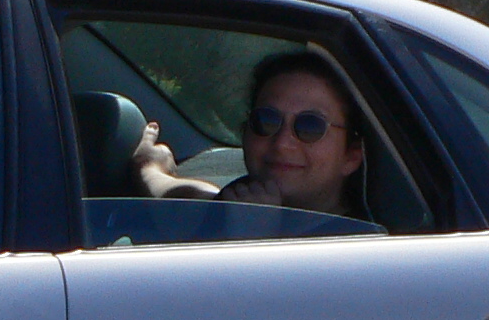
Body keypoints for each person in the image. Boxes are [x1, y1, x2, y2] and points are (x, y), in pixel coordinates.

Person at [128, 51, 369, 216]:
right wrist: (148, 167)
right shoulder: (233, 205)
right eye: (266, 121)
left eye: (310, 127)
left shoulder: (364, 251)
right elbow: (185, 201)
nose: (282, 143)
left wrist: (250, 240)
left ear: (351, 155)